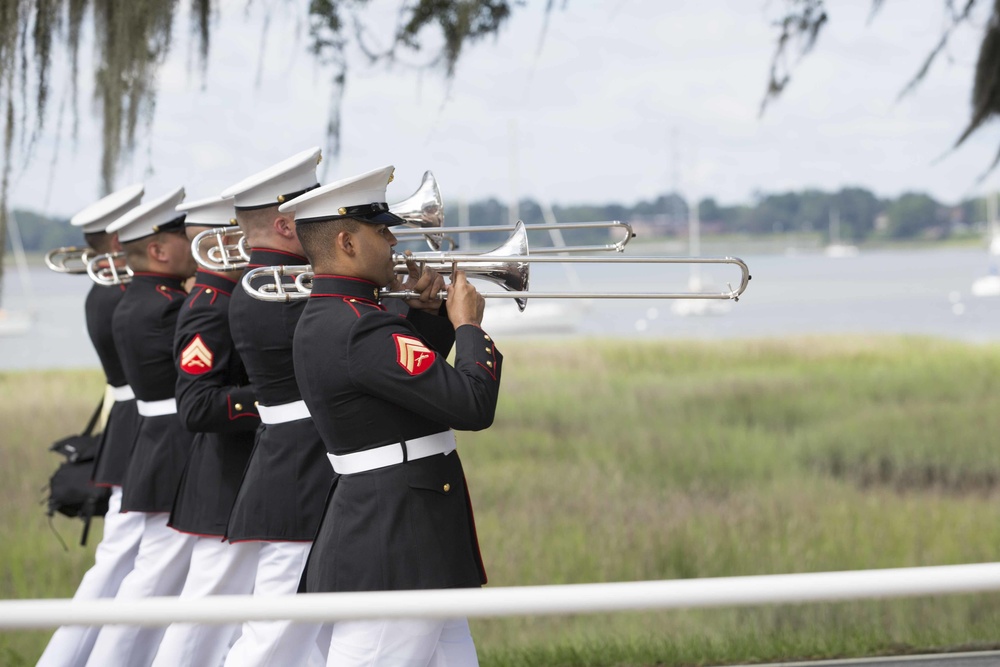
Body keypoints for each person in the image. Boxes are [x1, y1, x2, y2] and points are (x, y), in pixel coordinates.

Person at [286, 165, 503, 667]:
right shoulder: (360, 327)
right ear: (346, 241)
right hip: (394, 541)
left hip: (407, 534)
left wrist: (426, 317)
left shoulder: (345, 317)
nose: (392, 240)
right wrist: (467, 326)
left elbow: (403, 392)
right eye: (381, 230)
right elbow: (470, 405)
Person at [220, 147, 334, 667]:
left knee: (310, 634)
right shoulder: (275, 289)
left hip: (298, 469)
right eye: (319, 218)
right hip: (299, 475)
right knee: (271, 636)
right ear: (289, 227)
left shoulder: (267, 282)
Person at [85, 187, 199, 667]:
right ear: (155, 249)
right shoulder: (159, 304)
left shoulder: (134, 297)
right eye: (181, 236)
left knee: (137, 570)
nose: (194, 242)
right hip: (168, 443)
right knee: (144, 573)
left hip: (155, 439)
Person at [37, 184, 147, 667]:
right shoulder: (119, 294)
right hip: (137, 430)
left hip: (132, 428)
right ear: (121, 237)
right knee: (119, 561)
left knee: (126, 560)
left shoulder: (110, 289)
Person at [149, 195, 261, 667]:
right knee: (199, 626)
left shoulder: (231, 298)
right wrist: (274, 396)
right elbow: (196, 406)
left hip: (238, 482)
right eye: (247, 237)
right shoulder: (210, 307)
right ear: (225, 242)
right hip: (223, 484)